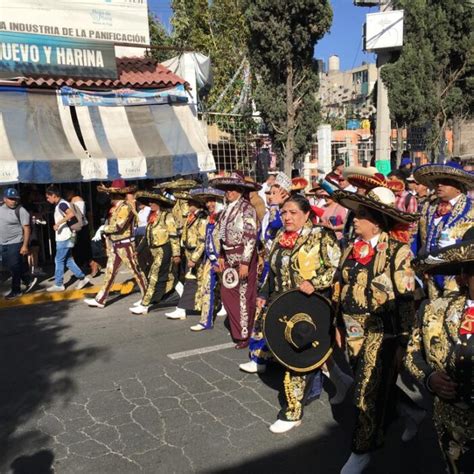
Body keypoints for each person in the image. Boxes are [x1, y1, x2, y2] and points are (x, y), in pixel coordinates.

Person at [332, 186, 419, 473]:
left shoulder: (397, 251)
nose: (354, 220)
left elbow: (406, 299)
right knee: (370, 382)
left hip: (382, 333)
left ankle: (362, 450)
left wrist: (405, 341)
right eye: (355, 214)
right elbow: (339, 286)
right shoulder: (350, 249)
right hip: (352, 330)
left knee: (365, 392)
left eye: (361, 215)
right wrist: (337, 324)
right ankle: (411, 412)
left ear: (377, 221)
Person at [256, 195, 347, 433]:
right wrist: (263, 294)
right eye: (284, 212)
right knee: (307, 356)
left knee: (297, 359)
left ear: (307, 214)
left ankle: (292, 412)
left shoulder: (320, 235)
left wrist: (315, 282)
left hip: (311, 308)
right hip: (284, 307)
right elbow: (272, 270)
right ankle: (342, 382)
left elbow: (336, 268)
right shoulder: (279, 237)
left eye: (293, 212)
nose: (287, 217)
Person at [406, 228, 474, 473]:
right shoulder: (434, 310)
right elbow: (413, 354)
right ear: (464, 275)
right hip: (451, 424)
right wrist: (429, 378)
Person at [210, 172, 260, 349]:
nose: (228, 192)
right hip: (229, 257)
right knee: (227, 293)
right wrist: (222, 255)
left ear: (240, 190)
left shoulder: (247, 209)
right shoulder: (225, 210)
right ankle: (239, 329)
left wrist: (246, 262)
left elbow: (250, 236)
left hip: (243, 256)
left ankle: (244, 334)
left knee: (244, 295)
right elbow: (222, 236)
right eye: (226, 189)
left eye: (232, 189)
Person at [415, 162, 474, 299]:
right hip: (431, 277)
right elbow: (419, 241)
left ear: (458, 188)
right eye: (437, 181)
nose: (439, 185)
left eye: (445, 182)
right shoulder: (427, 208)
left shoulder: (471, 211)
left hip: (458, 280)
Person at [84, 181, 147, 309]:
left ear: (116, 196)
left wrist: (103, 228)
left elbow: (119, 226)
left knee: (137, 272)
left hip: (126, 245)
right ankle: (101, 299)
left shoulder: (125, 207)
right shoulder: (118, 207)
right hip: (117, 245)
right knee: (110, 272)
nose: (110, 197)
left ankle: (147, 298)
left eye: (112, 195)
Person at [129, 191, 180, 315]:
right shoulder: (151, 217)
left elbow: (173, 236)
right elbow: (146, 237)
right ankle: (182, 299)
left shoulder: (167, 216)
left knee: (154, 276)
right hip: (154, 252)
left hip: (164, 250)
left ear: (159, 204)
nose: (150, 204)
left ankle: (145, 304)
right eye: (150, 202)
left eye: (153, 202)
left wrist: (176, 254)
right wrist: (137, 250)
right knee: (169, 276)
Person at [165, 193, 207, 320]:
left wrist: (194, 258)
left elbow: (202, 240)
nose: (188, 206)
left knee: (197, 281)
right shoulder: (191, 217)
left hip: (197, 253)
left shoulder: (202, 218)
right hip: (189, 251)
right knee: (194, 281)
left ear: (197, 205)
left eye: (190, 204)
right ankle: (189, 308)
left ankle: (184, 309)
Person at [189, 187, 226, 331]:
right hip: (210, 260)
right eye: (207, 202)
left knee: (231, 290)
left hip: (224, 261)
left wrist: (222, 258)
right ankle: (205, 321)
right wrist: (195, 257)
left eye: (212, 201)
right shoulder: (206, 220)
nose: (209, 205)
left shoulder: (224, 218)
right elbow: (202, 241)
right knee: (206, 289)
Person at [45, 186, 90, 292]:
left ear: (54, 195)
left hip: (64, 237)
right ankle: (82, 278)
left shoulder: (62, 204)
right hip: (67, 236)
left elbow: (70, 214)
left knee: (59, 260)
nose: (47, 199)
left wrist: (58, 224)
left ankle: (59, 284)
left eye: (48, 197)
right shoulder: (61, 203)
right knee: (68, 260)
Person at [0, 188, 37, 299]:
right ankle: (26, 278)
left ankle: (16, 290)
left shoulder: (21, 211)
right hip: (2, 243)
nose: (13, 201)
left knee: (14, 266)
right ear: (4, 199)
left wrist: (25, 245)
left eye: (15, 199)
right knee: (7, 265)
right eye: (11, 199)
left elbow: (27, 229)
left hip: (16, 242)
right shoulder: (1, 208)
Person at [64, 188, 101, 278]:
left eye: (68, 191)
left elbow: (79, 216)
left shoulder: (77, 200)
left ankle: (93, 264)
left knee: (82, 248)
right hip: (79, 227)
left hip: (79, 228)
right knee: (79, 249)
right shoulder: (74, 200)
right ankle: (84, 268)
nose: (66, 193)